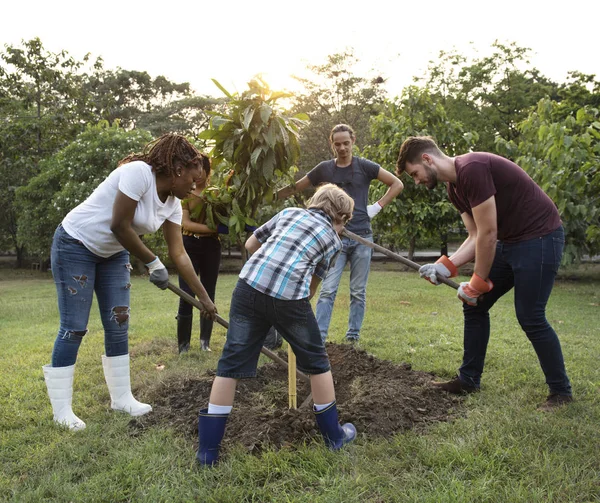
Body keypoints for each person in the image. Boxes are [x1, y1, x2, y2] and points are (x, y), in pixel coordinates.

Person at [43, 133, 218, 431]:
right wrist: (153, 262)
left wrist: (204, 297)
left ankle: (122, 398)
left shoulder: (174, 204)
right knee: (74, 327)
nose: (195, 186)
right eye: (193, 178)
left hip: (112, 253)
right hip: (75, 243)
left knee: (119, 321)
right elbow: (119, 225)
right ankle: (62, 411)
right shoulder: (138, 174)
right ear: (177, 170)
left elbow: (180, 253)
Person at [395, 136, 573, 410]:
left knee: (530, 316)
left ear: (427, 159)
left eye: (415, 174)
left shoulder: (472, 169)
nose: (416, 181)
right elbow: (475, 235)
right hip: (512, 241)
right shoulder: (453, 189)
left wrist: (477, 282)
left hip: (540, 238)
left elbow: (489, 235)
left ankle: (561, 393)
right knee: (474, 306)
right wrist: (446, 266)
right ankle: (468, 380)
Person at [197, 184, 357, 466]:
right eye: (345, 222)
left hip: (247, 288)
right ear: (341, 217)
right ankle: (334, 437)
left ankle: (208, 452)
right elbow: (311, 286)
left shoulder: (289, 213)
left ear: (315, 203)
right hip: (289, 300)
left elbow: (250, 245)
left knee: (230, 362)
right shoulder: (334, 241)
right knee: (318, 361)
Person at [277, 124, 403, 343]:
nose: (342, 147)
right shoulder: (324, 169)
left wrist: (377, 206)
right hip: (333, 239)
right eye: (338, 144)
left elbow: (397, 183)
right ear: (331, 144)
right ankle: (320, 336)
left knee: (357, 291)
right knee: (327, 289)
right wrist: (272, 194)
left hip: (362, 237)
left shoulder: (365, 167)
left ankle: (353, 337)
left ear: (353, 141)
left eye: (346, 142)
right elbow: (297, 187)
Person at [176, 185, 222, 353]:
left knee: (209, 292)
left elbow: (223, 216)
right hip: (189, 243)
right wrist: (216, 229)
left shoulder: (217, 193)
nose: (199, 172)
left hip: (212, 246)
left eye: (203, 167)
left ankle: (205, 342)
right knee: (187, 293)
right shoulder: (185, 194)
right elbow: (186, 224)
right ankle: (183, 345)